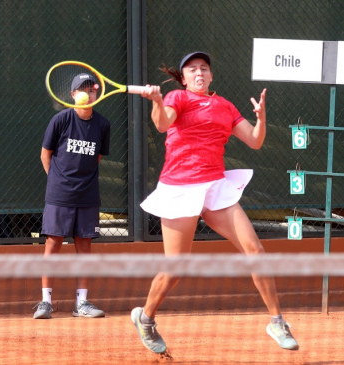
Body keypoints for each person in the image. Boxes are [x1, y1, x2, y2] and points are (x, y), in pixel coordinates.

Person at [133, 52, 299, 353]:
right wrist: (157, 101)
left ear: (211, 76)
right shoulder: (177, 98)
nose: (199, 73)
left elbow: (255, 141)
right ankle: (145, 318)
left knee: (255, 250)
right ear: (184, 78)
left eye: (204, 69)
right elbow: (162, 124)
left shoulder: (225, 106)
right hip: (180, 188)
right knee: (176, 266)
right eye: (193, 70)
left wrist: (261, 119)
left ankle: (277, 321)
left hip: (215, 187)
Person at [33, 73, 109, 320]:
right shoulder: (61, 120)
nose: (88, 93)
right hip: (60, 194)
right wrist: (57, 182)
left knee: (84, 246)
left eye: (92, 89)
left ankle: (82, 303)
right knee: (53, 243)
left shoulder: (103, 125)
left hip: (87, 195)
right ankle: (45, 302)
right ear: (73, 95)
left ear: (97, 94)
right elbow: (46, 154)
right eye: (82, 89)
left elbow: (97, 158)